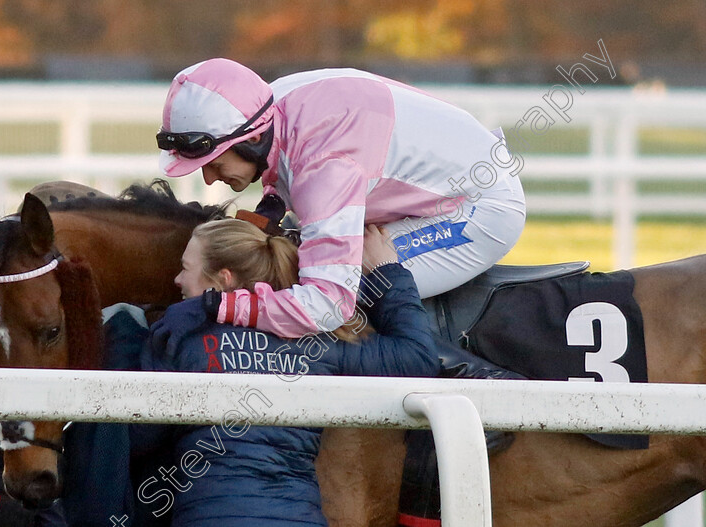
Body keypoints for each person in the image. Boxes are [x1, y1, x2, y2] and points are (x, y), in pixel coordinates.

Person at [62, 218, 519, 526]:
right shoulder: (322, 342)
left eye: (185, 270)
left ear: (222, 280)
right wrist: (388, 275)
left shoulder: (184, 339)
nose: (178, 283)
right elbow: (416, 358)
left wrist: (122, 339)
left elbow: (136, 439)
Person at [156, 58, 526, 338]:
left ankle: (462, 385)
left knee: (338, 286)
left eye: (215, 163)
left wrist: (218, 305)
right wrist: (271, 207)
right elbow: (284, 161)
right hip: (441, 178)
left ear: (252, 140)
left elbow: (326, 306)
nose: (208, 178)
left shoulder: (323, 167)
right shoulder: (268, 105)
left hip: (481, 208)